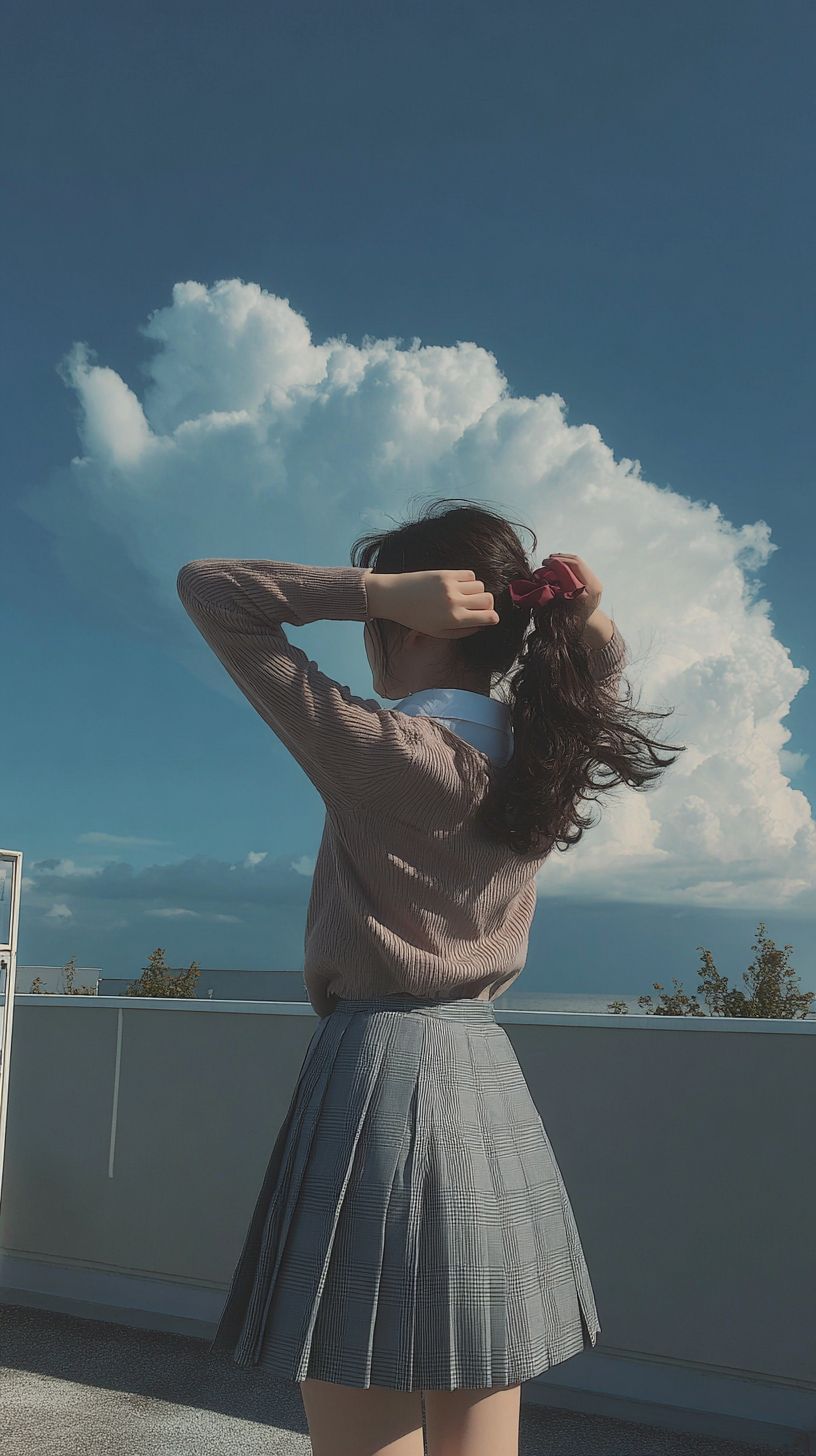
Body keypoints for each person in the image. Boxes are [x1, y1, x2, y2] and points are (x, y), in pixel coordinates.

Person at [177, 496, 684, 1456]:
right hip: (485, 1084)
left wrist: (366, 588)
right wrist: (579, 613)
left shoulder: (391, 751)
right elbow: (597, 660)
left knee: (362, 1405)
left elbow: (211, 590)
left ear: (410, 624)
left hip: (376, 1079)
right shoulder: (546, 754)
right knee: (475, 1419)